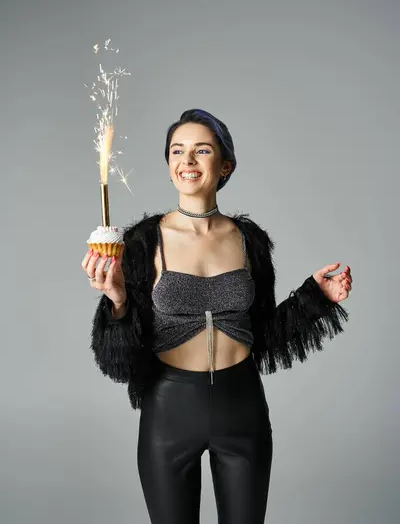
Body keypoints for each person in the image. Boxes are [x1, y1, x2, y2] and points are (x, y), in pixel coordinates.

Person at [81, 108, 352, 524]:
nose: (187, 161)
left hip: (241, 406)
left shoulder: (249, 240)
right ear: (169, 164)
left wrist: (316, 298)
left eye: (201, 150)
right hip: (170, 410)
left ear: (225, 165)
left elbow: (261, 334)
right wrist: (116, 299)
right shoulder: (142, 242)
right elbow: (119, 355)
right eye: (177, 151)